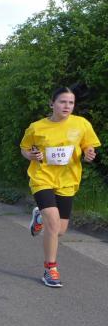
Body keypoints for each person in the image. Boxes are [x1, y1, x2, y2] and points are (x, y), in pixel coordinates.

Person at [19, 86, 100, 288]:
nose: (67, 106)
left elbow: (88, 145)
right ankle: (50, 269)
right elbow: (25, 148)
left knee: (60, 230)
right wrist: (31, 155)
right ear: (52, 103)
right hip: (42, 177)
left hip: (68, 180)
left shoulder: (81, 124)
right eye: (63, 101)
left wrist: (89, 152)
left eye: (71, 102)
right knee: (53, 225)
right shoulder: (37, 127)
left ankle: (39, 216)